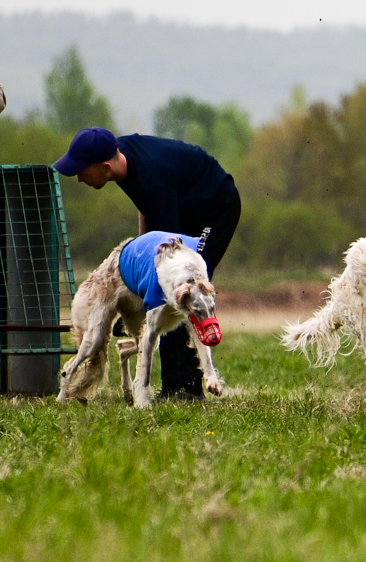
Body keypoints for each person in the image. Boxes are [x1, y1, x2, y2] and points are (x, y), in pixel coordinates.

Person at [54, 127, 241, 400]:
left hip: (216, 207)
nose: (79, 179)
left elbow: (164, 253)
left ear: (105, 167)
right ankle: (175, 384)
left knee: (182, 289)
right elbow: (148, 218)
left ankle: (186, 387)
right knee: (160, 291)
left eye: (82, 171)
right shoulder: (122, 160)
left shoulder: (153, 177)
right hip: (183, 204)